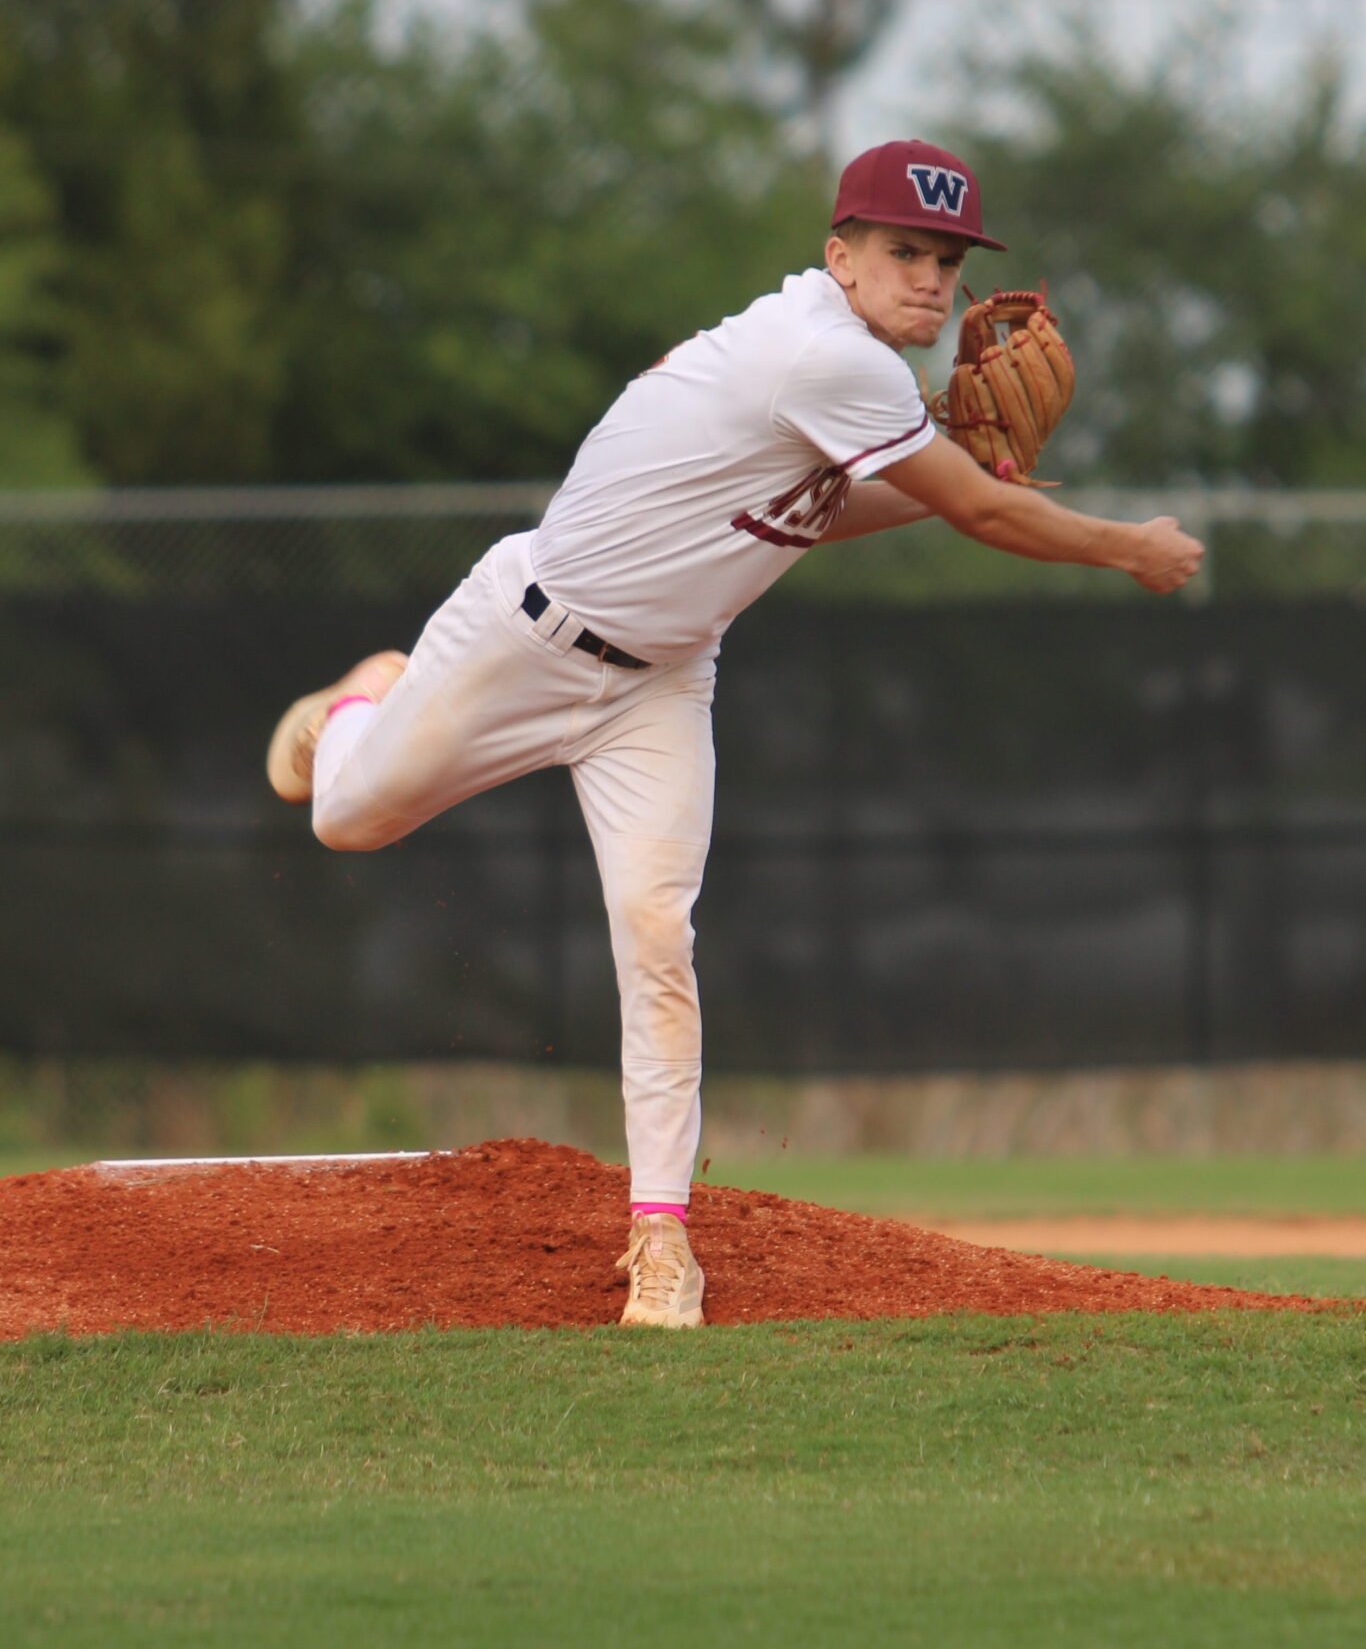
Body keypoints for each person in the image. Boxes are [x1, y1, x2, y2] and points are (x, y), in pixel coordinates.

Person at [265, 139, 1203, 1328]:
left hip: (657, 682)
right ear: (839, 256)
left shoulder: (843, 370)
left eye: (948, 261)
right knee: (346, 819)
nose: (931, 281)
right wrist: (1126, 544)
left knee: (656, 933)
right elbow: (970, 509)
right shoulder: (820, 354)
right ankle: (364, 695)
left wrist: (947, 470)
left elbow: (800, 515)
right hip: (524, 637)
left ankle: (660, 1241)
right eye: (903, 252)